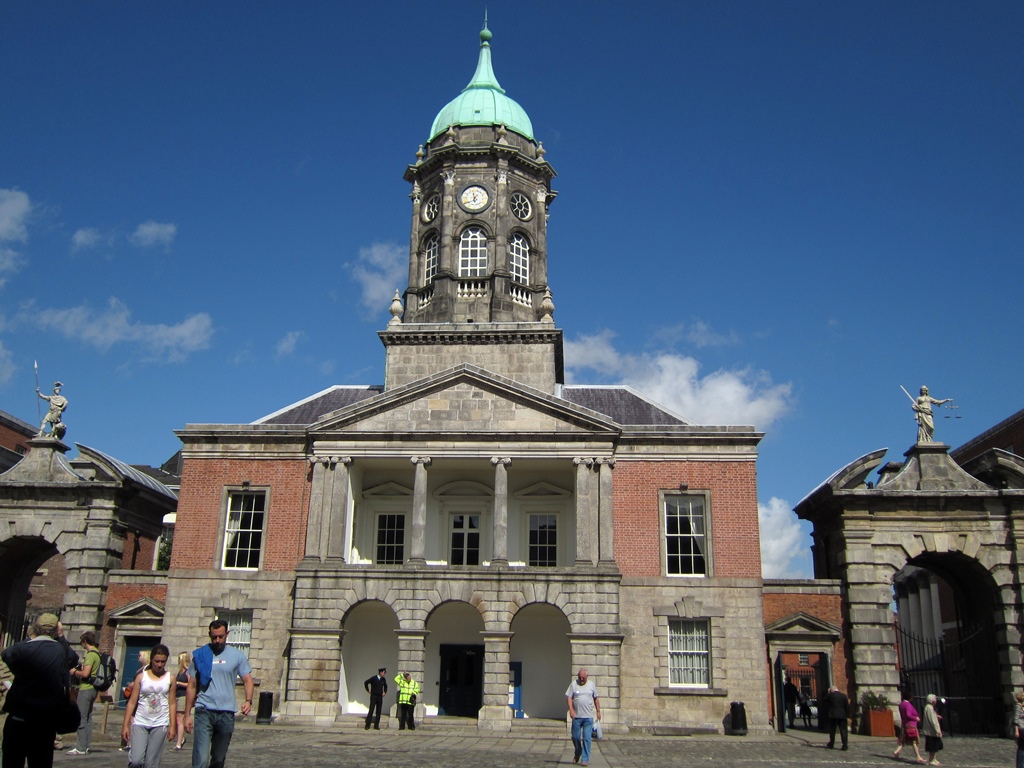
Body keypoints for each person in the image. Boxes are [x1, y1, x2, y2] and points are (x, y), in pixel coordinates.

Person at [1, 613, 69, 768]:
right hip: (44, 722)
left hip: (19, 717)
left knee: (12, 762)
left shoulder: (23, 648)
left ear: (35, 628)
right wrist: (61, 636)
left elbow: (6, 655)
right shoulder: (60, 650)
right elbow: (71, 660)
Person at [184, 619, 254, 768]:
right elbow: (192, 684)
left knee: (218, 759)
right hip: (204, 710)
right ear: (210, 635)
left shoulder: (237, 655)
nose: (217, 640)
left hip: (226, 712)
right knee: (201, 759)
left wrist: (248, 700)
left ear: (227, 634)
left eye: (221, 636)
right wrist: (187, 714)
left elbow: (248, 679)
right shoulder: (201, 655)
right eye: (214, 637)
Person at [121, 644, 176, 768]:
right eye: (157, 661)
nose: (159, 664)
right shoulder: (142, 677)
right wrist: (125, 725)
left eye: (163, 661)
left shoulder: (170, 678)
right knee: (136, 761)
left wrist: (173, 726)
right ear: (151, 660)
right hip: (141, 721)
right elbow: (132, 702)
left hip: (160, 723)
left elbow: (172, 703)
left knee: (151, 763)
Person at [67, 631, 102, 755]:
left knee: (81, 717)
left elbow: (86, 674)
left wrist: (74, 672)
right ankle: (86, 745)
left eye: (82, 643)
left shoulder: (91, 655)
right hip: (94, 689)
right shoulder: (98, 654)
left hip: (86, 688)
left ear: (85, 642)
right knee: (88, 717)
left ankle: (81, 747)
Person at [566, 668, 601, 767]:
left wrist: (598, 711)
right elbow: (569, 697)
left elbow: (596, 698)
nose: (581, 679)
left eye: (583, 678)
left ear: (587, 677)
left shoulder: (591, 685)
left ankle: (585, 759)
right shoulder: (574, 684)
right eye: (580, 677)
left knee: (587, 738)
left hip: (588, 717)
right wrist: (571, 710)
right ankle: (578, 752)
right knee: (575, 737)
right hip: (576, 717)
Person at [892, 689, 924, 763]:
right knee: (914, 741)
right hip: (911, 725)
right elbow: (908, 714)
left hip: (904, 724)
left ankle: (897, 752)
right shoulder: (907, 704)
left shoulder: (901, 704)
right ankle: (918, 756)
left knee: (904, 740)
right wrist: (915, 718)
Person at [824, 685, 849, 750]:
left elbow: (824, 700)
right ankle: (845, 745)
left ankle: (831, 744)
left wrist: (828, 693)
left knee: (832, 731)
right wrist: (847, 714)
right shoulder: (844, 696)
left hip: (833, 715)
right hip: (842, 715)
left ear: (831, 690)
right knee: (843, 731)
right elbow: (847, 706)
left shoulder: (830, 695)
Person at [174, 652, 191, 751]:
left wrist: (179, 683)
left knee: (180, 719)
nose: (178, 661)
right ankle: (181, 738)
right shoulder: (179, 672)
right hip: (176, 695)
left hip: (183, 696)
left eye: (179, 659)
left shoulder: (188, 672)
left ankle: (178, 744)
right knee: (176, 719)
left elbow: (190, 684)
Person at [921, 693, 943, 766]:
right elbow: (932, 720)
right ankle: (931, 759)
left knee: (936, 745)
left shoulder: (930, 708)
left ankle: (934, 758)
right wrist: (937, 730)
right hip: (931, 731)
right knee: (932, 746)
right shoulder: (929, 708)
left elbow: (933, 717)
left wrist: (937, 716)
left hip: (932, 731)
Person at [1012, 691, 1024, 768]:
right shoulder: (1017, 707)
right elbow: (1015, 720)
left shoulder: (1022, 706)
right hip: (1021, 728)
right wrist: (1016, 731)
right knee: (1022, 748)